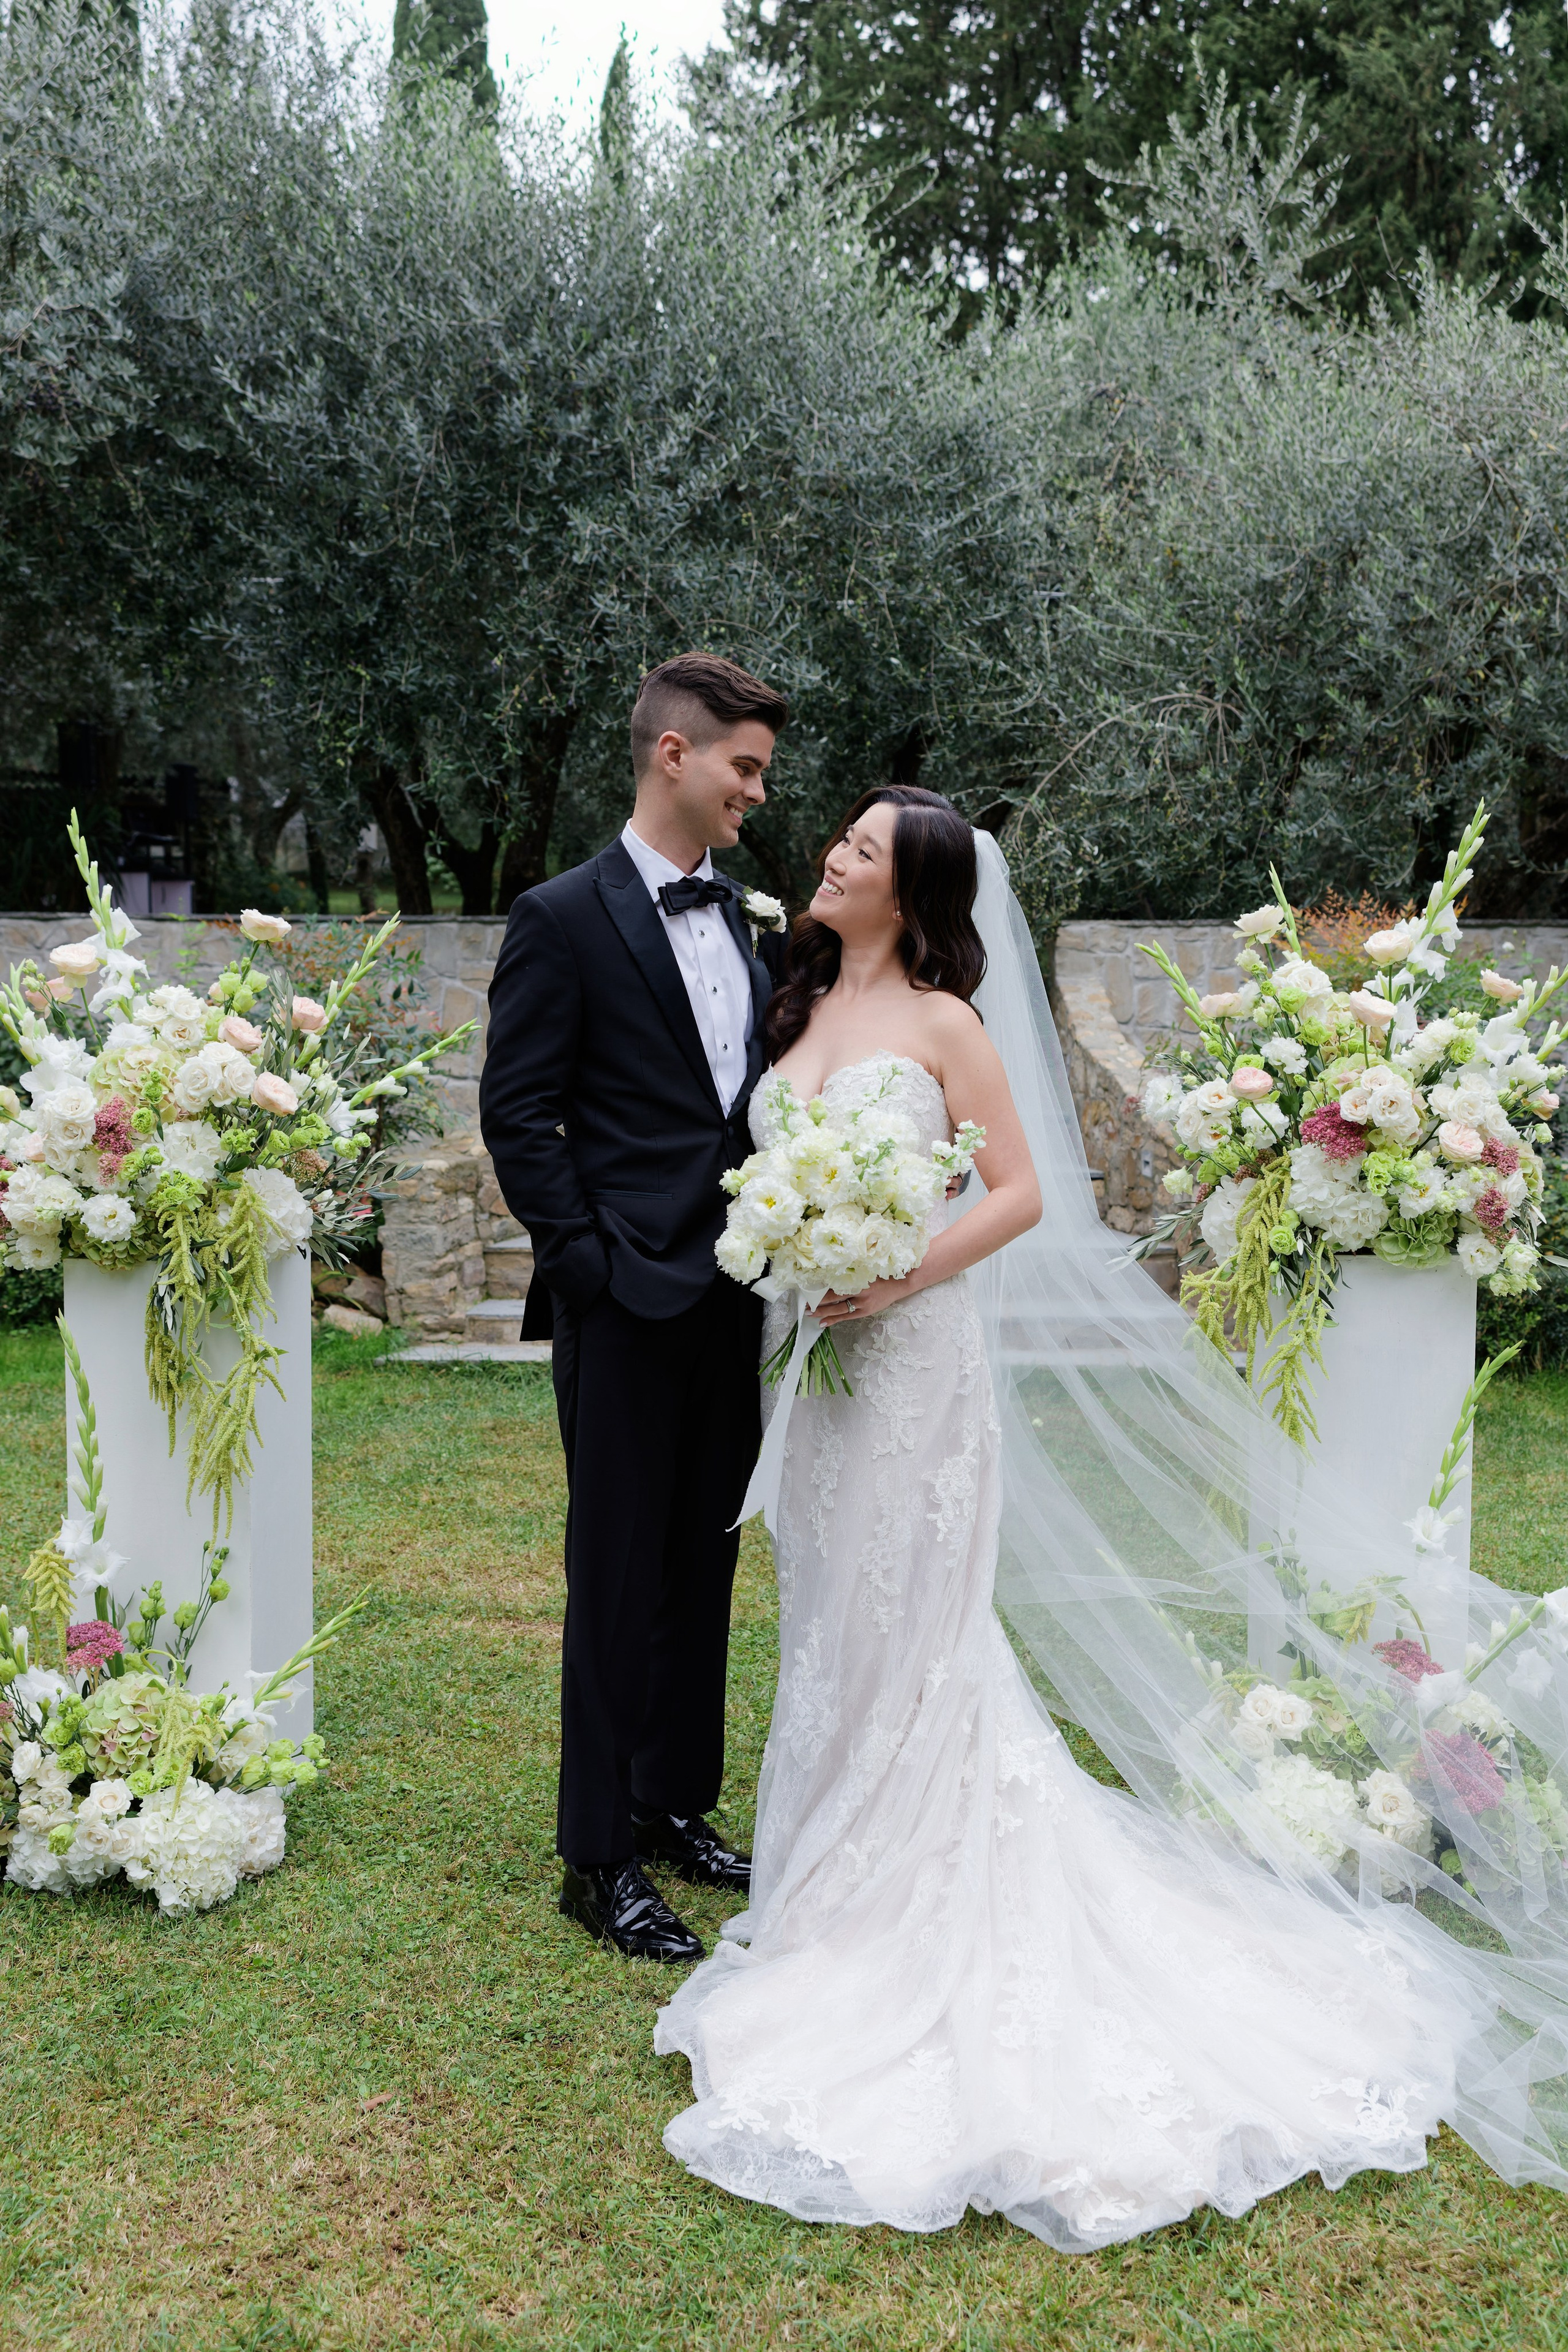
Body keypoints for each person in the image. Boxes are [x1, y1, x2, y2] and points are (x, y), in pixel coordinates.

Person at [654, 785, 1568, 2250]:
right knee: (832, 1613)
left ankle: (898, 1887)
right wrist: (795, 1246)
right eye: (837, 840)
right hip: (810, 1371)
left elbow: (1015, 1196)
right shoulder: (794, 1000)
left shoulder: (948, 1026)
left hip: (910, 1365)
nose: (829, 856)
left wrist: (891, 1272)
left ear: (918, 893)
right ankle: (831, 1865)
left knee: (914, 1620)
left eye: (862, 853)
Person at [480, 652, 790, 1963]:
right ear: (675, 753)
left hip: (734, 1294)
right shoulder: (560, 917)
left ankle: (670, 1804)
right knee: (612, 1577)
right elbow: (518, 1110)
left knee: (701, 1562)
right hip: (622, 1300)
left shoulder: (749, 922)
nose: (756, 795)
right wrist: (588, 1263)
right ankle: (595, 1855)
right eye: (744, 767)